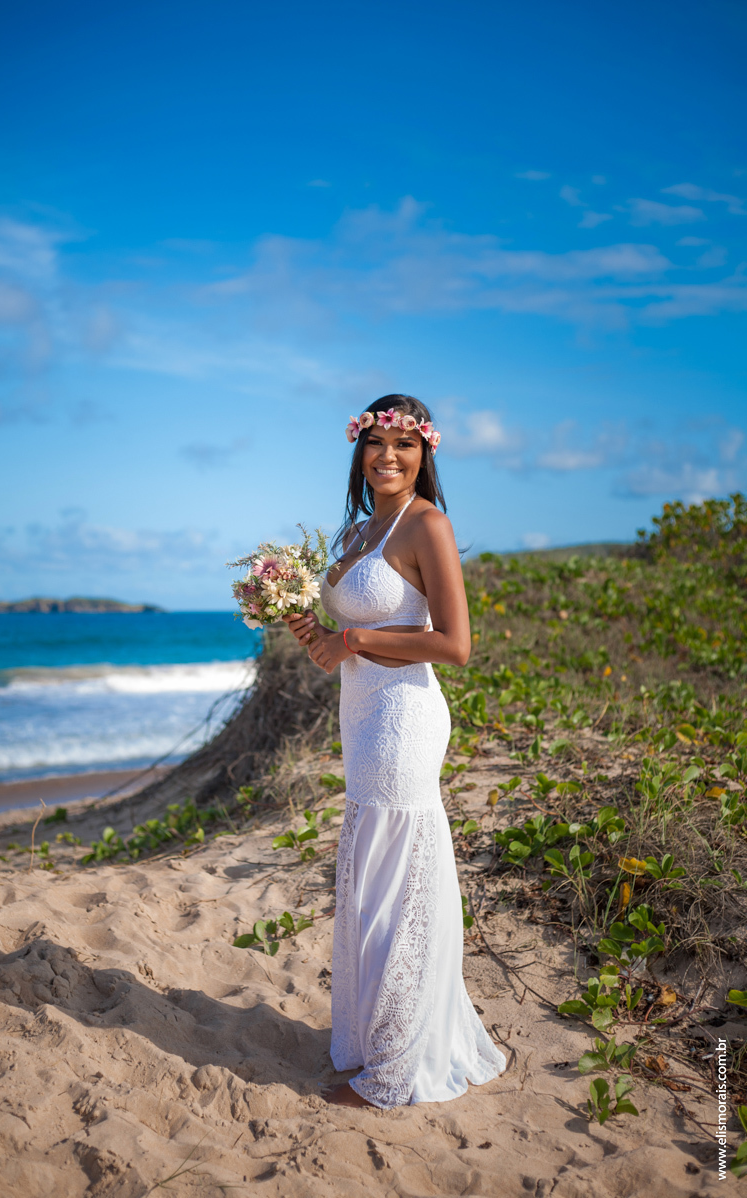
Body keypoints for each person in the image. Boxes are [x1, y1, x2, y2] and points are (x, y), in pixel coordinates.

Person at [283, 394, 506, 1109]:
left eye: (404, 445)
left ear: (423, 454)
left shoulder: (426, 525)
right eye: (377, 443)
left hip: (405, 716)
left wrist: (352, 640)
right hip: (360, 712)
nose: (389, 456)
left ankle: (400, 1065)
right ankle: (374, 1042)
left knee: (396, 885)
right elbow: (342, 640)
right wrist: (306, 627)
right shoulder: (355, 531)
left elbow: (454, 645)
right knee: (370, 878)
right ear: (359, 451)